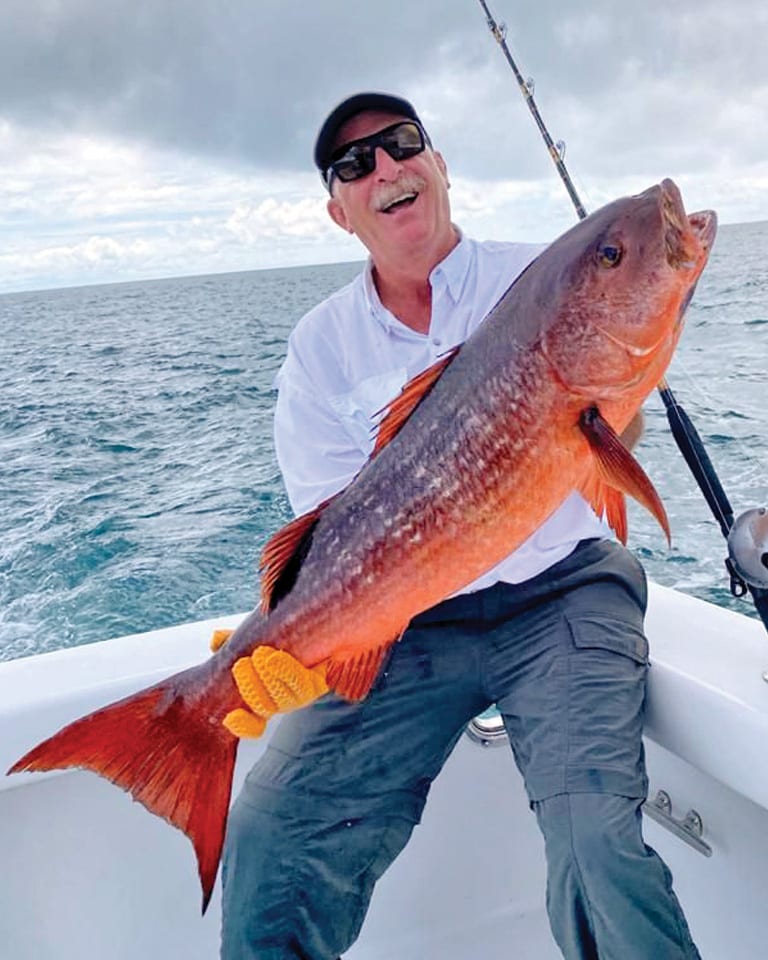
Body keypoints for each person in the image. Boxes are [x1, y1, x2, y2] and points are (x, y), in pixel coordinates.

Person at [219, 92, 701, 960]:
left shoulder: (534, 278)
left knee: (599, 846)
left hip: (561, 599)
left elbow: (607, 432)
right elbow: (332, 543)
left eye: (403, 146)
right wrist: (296, 646)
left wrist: (614, 380)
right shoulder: (319, 350)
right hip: (405, 628)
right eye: (355, 164)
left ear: (439, 167)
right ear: (340, 211)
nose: (386, 168)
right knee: (270, 837)